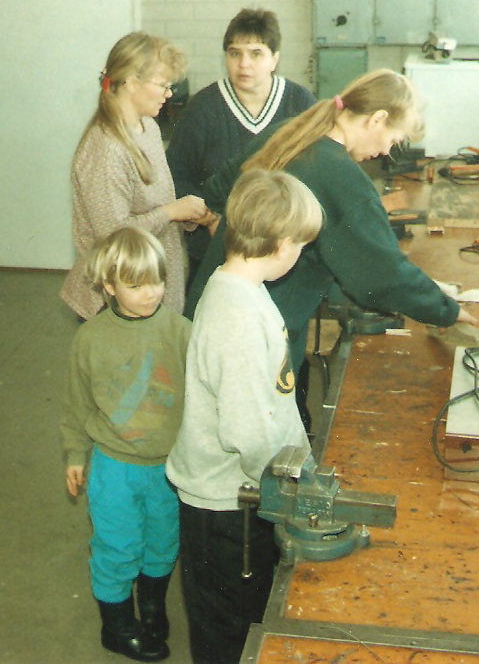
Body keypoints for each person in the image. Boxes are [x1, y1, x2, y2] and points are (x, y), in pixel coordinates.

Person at [184, 69, 479, 426]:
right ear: (377, 119)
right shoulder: (342, 178)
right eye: (393, 139)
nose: (387, 151)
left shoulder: (288, 131)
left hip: (212, 308)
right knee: (259, 429)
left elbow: (217, 191)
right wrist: (443, 310)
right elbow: (384, 275)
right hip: (259, 336)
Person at [166, 168, 323, 664]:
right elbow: (247, 429)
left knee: (239, 620)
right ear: (280, 243)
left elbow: (271, 399)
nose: (299, 254)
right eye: (300, 245)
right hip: (227, 508)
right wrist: (290, 487)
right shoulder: (236, 315)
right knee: (228, 632)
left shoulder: (244, 290)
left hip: (242, 491)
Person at [62, 226, 191, 663]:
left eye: (157, 281)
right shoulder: (90, 339)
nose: (151, 293)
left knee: (163, 542)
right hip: (114, 466)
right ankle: (116, 627)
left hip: (169, 467)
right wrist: (76, 454)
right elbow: (77, 403)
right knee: (117, 545)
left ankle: (151, 607)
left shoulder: (181, 332)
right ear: (108, 286)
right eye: (136, 286)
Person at [60, 32, 214, 319]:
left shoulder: (148, 127)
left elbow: (156, 204)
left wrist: (186, 214)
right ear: (131, 82)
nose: (169, 94)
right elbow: (114, 237)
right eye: (163, 85)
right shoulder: (106, 149)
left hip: (151, 292)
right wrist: (171, 212)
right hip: (118, 304)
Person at [165, 8, 316, 272]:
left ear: (274, 59)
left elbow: (316, 174)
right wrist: (210, 219)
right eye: (235, 53)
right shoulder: (202, 108)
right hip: (214, 246)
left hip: (285, 249)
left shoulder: (299, 103)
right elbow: (176, 177)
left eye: (256, 54)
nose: (244, 64)